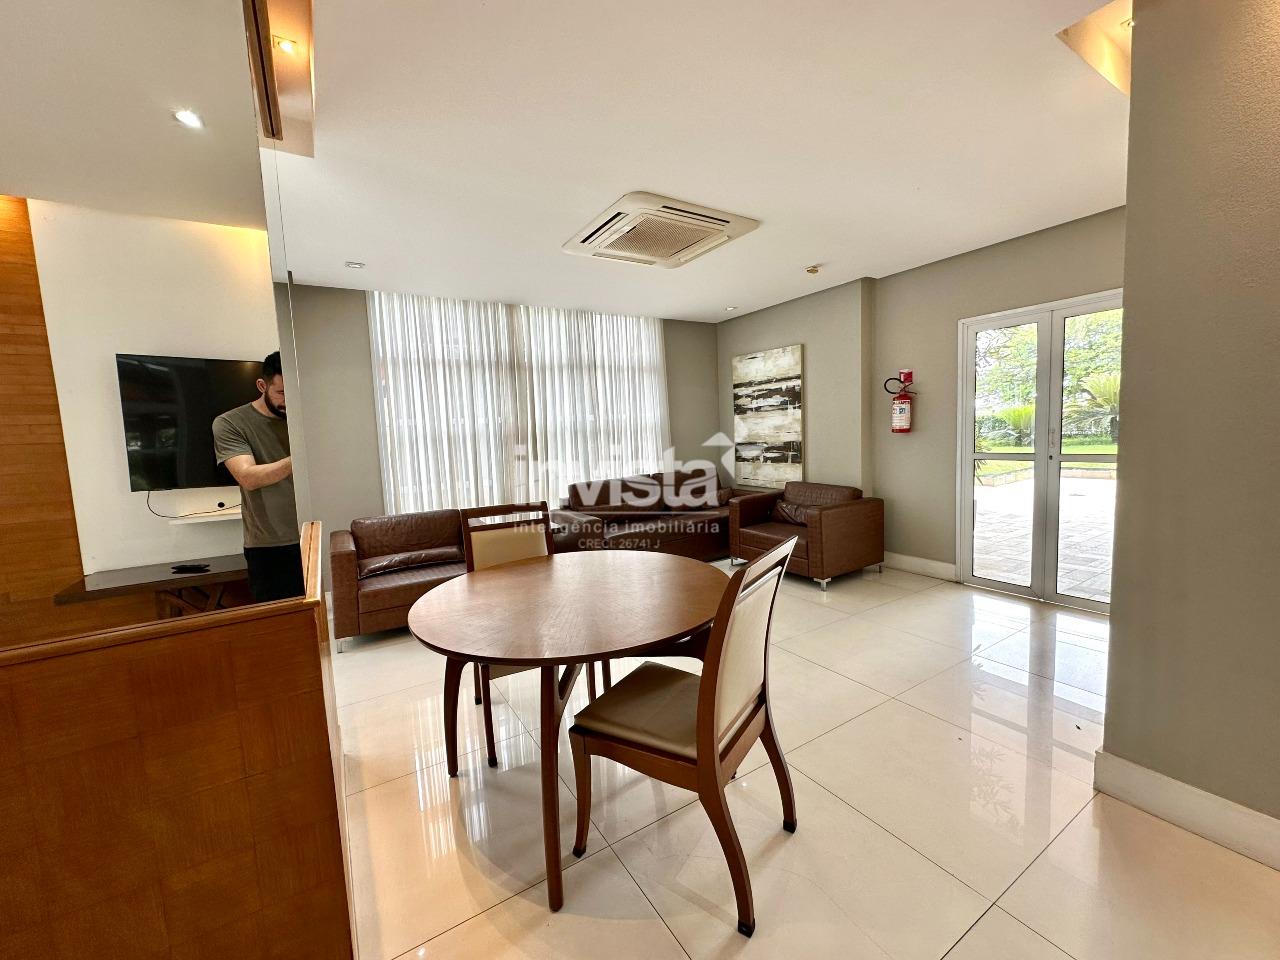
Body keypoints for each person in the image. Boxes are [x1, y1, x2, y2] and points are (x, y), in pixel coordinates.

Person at [212, 351, 302, 602]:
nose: (290, 401)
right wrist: (302, 457)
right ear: (262, 385)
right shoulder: (230, 423)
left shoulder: (307, 414)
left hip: (321, 535)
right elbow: (248, 477)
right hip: (272, 546)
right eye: (282, 393)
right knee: (282, 620)